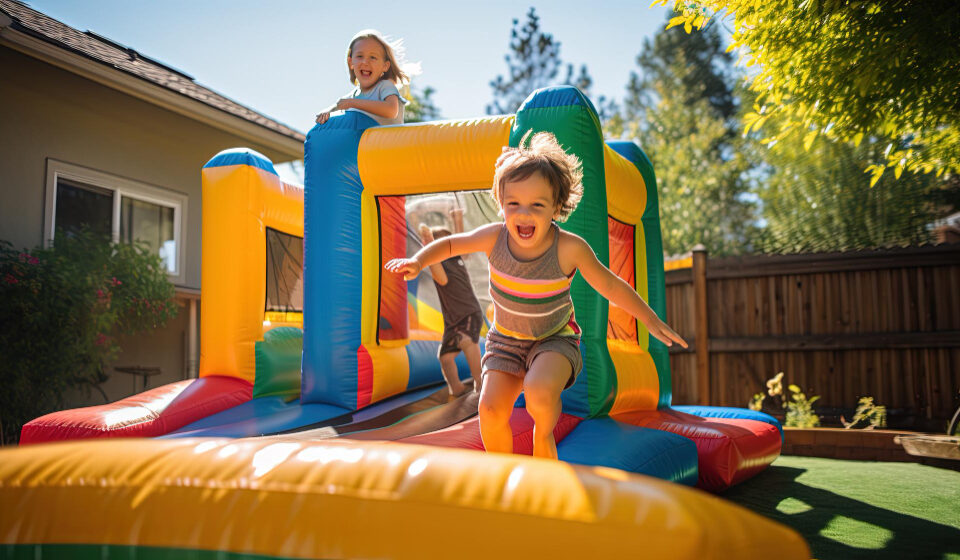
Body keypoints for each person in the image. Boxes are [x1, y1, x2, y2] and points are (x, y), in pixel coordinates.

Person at [385, 131, 687, 459]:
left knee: (538, 392)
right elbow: (452, 244)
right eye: (513, 203)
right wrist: (418, 261)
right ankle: (504, 471)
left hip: (554, 340)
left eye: (537, 205)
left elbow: (611, 285)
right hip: (505, 342)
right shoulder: (494, 238)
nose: (523, 214)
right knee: (489, 409)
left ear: (556, 207)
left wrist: (650, 318)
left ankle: (543, 435)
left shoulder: (568, 248)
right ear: (501, 204)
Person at [417, 219, 483, 397]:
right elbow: (438, 271)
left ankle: (481, 382)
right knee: (445, 357)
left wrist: (457, 221)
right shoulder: (443, 262)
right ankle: (457, 389)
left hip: (468, 312)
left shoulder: (454, 260)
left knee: (467, 341)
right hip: (453, 320)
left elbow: (442, 278)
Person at [315, 30, 409, 126]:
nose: (365, 62)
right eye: (360, 56)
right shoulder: (352, 97)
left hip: (390, 140)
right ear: (351, 62)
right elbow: (338, 105)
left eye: (373, 57)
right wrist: (326, 113)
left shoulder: (385, 86)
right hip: (367, 140)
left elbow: (391, 111)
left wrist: (353, 103)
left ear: (385, 66)